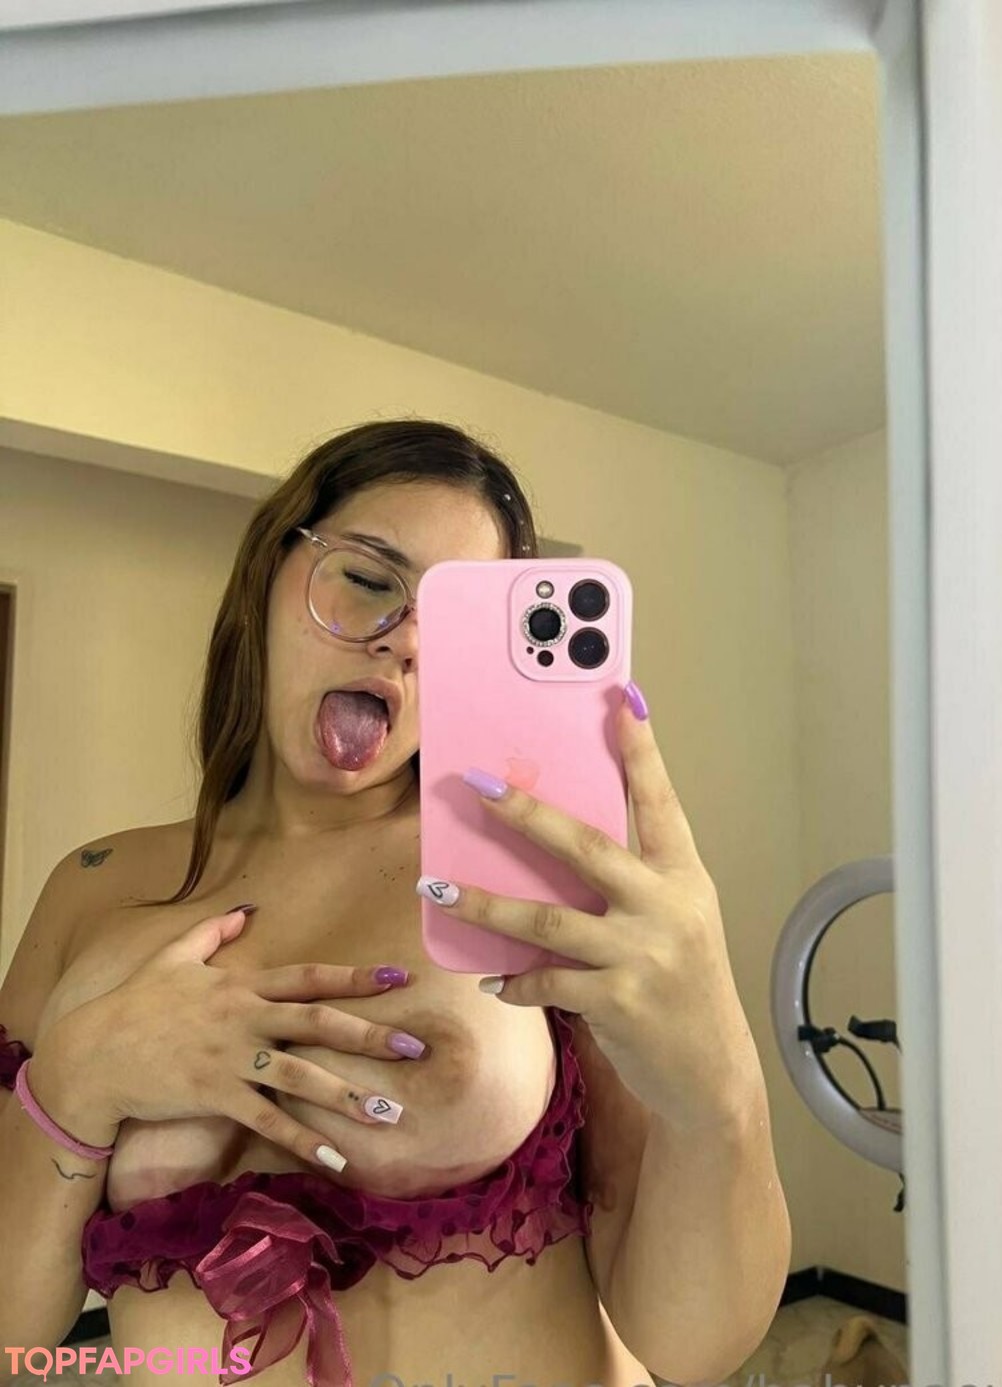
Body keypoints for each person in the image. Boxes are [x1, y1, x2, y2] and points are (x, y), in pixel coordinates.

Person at [0, 420, 791, 1387]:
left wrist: (720, 1083)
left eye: (456, 622)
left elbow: (691, 1345)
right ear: (267, 578)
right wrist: (79, 1082)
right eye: (370, 579)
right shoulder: (92, 886)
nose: (409, 640)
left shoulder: (527, 873)